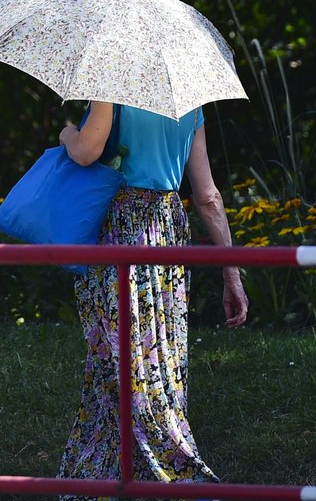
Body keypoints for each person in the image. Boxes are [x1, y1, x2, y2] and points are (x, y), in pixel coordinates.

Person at [56, 99, 248, 496]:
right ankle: (122, 469)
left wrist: (67, 133)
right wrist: (232, 273)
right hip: (167, 227)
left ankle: (160, 468)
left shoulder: (112, 88)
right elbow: (208, 196)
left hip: (120, 226)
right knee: (155, 352)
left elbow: (87, 151)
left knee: (118, 357)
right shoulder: (188, 103)